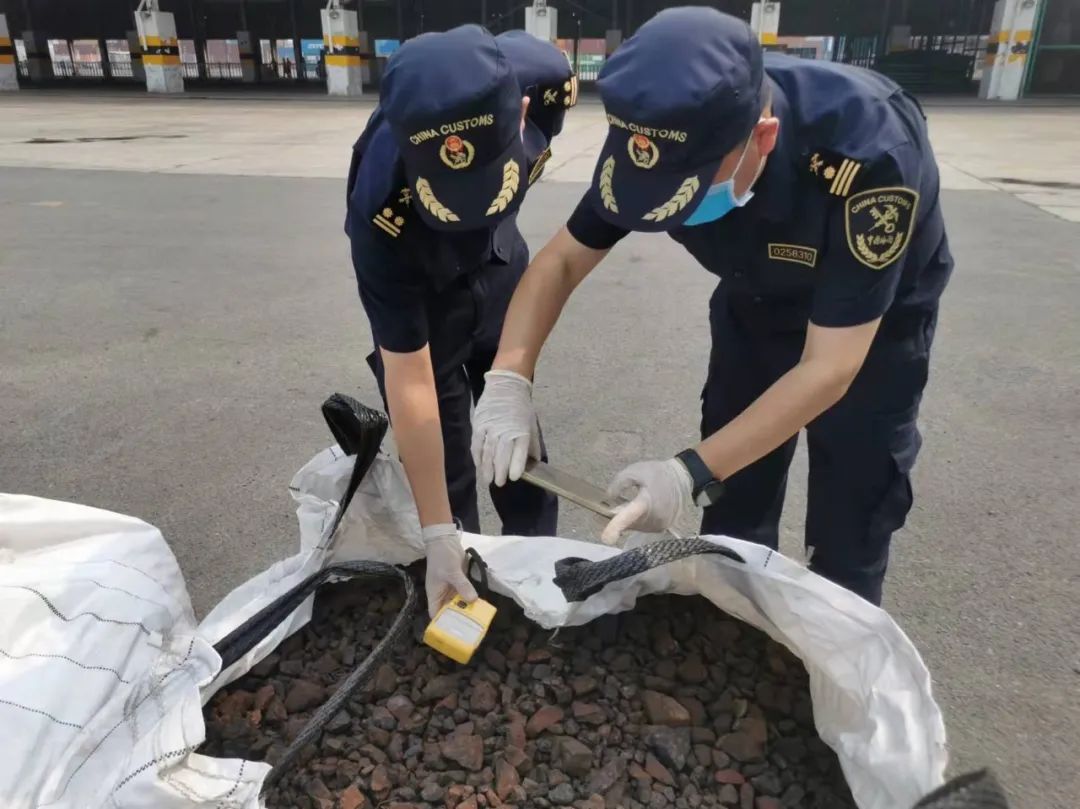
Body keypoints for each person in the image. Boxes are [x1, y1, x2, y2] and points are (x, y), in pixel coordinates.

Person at [471, 7, 954, 605]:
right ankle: (737, 633)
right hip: (756, 301)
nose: (671, 207)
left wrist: (687, 472)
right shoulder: (651, 134)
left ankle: (827, 666)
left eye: (686, 191)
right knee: (734, 506)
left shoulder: (868, 155)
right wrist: (507, 381)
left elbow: (831, 365)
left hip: (873, 325)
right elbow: (562, 261)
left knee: (852, 514)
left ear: (763, 139)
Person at [345, 25, 574, 615]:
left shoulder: (544, 86)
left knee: (514, 445)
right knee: (445, 460)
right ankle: (462, 574)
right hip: (427, 300)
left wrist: (513, 380)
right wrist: (437, 534)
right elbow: (410, 381)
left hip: (503, 273)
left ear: (521, 110)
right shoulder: (378, 212)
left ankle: (534, 567)